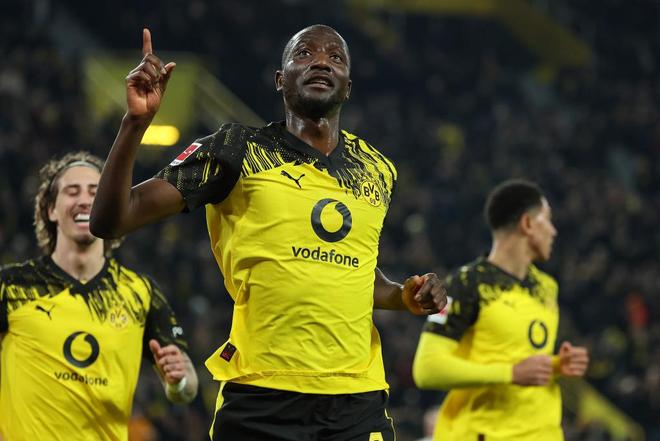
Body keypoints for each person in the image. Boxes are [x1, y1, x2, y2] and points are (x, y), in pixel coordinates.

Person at [90, 25, 447, 440]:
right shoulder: (237, 149)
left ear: (348, 86)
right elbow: (112, 220)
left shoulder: (376, 170)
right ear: (280, 80)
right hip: (261, 398)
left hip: (356, 401)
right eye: (304, 54)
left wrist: (403, 295)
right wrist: (135, 123)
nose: (321, 62)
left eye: (335, 57)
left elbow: (355, 272)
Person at [0, 151, 198, 441]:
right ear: (51, 210)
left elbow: (186, 388)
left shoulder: (140, 293)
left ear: (109, 204)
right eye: (72, 191)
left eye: (95, 192)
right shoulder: (11, 286)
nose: (84, 200)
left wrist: (179, 381)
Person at [412, 179, 589, 441]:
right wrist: (511, 373)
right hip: (486, 432)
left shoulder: (546, 287)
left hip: (543, 433)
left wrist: (556, 365)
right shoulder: (464, 284)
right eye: (547, 220)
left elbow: (520, 358)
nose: (553, 231)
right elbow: (428, 369)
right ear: (527, 223)